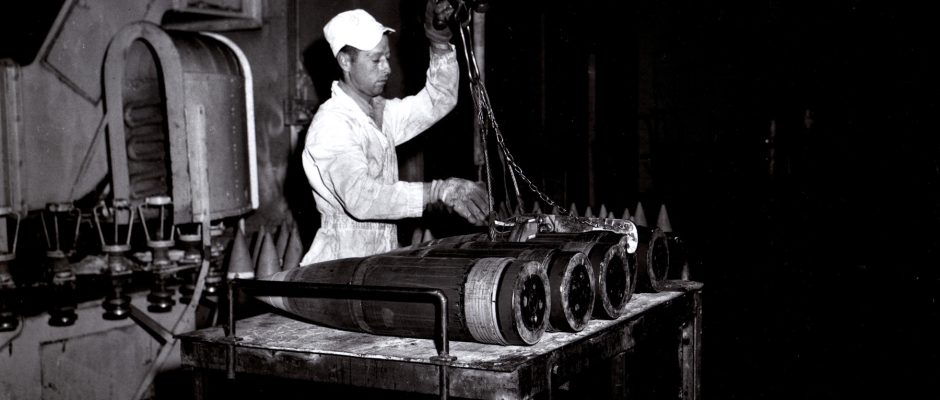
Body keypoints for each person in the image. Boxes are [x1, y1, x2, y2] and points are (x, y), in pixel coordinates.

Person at [299, 2, 489, 265]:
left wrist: (439, 42)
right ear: (345, 61)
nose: (387, 68)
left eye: (386, 58)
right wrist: (437, 191)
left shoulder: (380, 113)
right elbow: (361, 197)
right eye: (376, 60)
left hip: (376, 260)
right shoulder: (332, 124)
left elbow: (438, 99)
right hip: (339, 264)